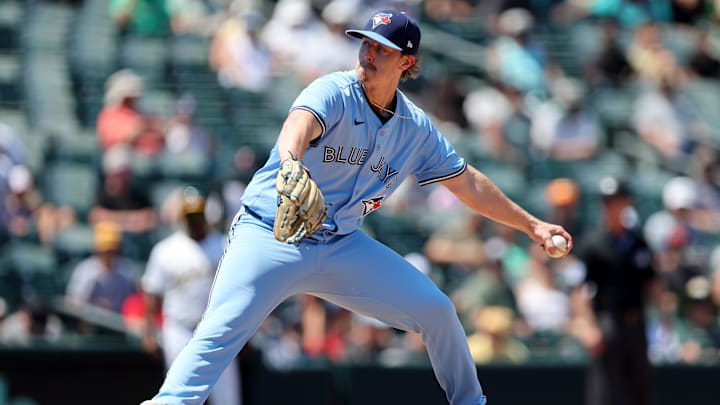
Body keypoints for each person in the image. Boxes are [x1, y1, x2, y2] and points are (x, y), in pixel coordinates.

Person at [141, 9, 572, 405]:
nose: (368, 53)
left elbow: (468, 182)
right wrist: (290, 161)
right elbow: (299, 124)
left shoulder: (415, 127)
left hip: (341, 245)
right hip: (272, 233)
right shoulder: (334, 90)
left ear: (406, 61)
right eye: (365, 43)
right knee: (219, 331)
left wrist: (532, 225)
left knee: (437, 310)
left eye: (381, 48)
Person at [141, 187, 242, 405]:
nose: (195, 222)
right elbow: (152, 293)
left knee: (227, 396)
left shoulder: (225, 244)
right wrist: (149, 330)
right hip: (179, 328)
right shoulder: (165, 250)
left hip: (216, 328)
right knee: (179, 392)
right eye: (190, 217)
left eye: (198, 216)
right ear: (183, 217)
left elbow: (240, 290)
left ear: (206, 215)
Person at [569, 176, 656, 405]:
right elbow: (579, 288)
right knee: (606, 393)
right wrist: (587, 325)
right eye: (606, 201)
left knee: (640, 389)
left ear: (627, 202)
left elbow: (652, 283)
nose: (611, 206)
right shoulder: (592, 243)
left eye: (616, 200)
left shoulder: (638, 241)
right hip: (608, 322)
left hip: (637, 323)